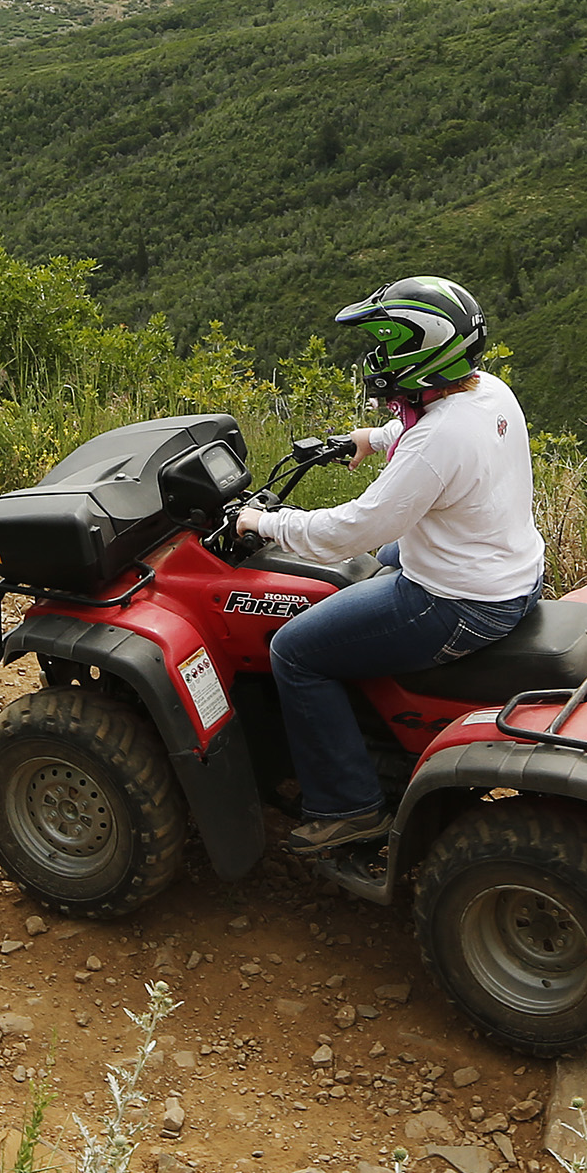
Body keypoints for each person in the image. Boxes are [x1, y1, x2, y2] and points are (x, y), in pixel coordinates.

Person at [237, 275, 542, 857]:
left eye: (388, 349)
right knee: (383, 560)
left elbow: (346, 531)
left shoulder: (437, 442)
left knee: (294, 651)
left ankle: (348, 806)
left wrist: (263, 522)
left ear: (422, 353)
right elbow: (424, 432)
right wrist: (370, 439)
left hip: (458, 604)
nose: (378, 360)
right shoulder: (488, 393)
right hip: (513, 575)